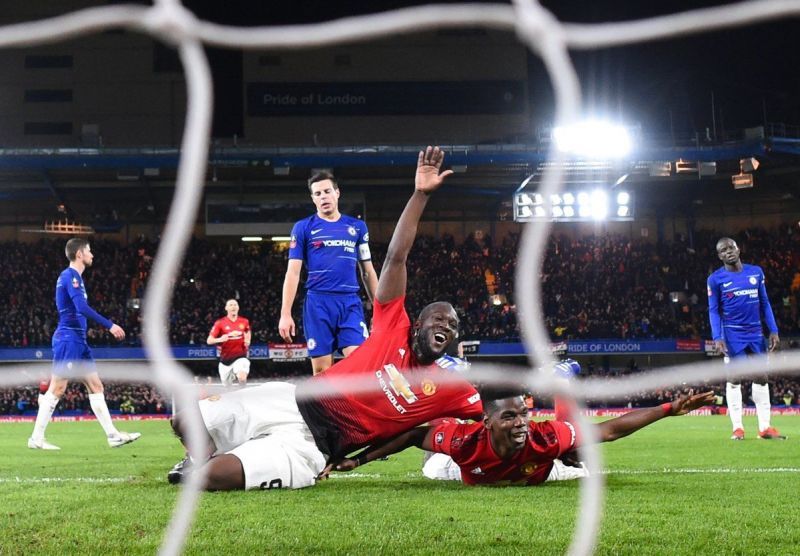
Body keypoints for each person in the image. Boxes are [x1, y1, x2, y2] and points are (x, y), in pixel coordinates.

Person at [168, 146, 484, 490]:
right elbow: (395, 259)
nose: (446, 327)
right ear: (417, 323)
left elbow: (490, 414)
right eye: (438, 319)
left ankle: (242, 455)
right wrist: (420, 196)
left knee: (211, 479)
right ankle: (216, 451)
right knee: (182, 421)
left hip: (315, 445)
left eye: (452, 326)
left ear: (337, 194)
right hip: (290, 398)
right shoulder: (392, 324)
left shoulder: (447, 388)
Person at [328, 390, 715, 486]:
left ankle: (568, 451)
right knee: (431, 467)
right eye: (509, 416)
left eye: (524, 414)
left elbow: (610, 429)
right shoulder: (464, 440)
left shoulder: (542, 436)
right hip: (461, 469)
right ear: (487, 422)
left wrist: (668, 409)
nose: (520, 423)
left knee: (581, 459)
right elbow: (413, 434)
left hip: (542, 471)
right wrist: (359, 459)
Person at [28, 238, 140, 450]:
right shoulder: (70, 276)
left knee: (96, 386)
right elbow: (80, 307)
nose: (92, 255)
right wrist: (109, 325)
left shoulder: (75, 277)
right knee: (58, 388)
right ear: (79, 254)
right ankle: (36, 437)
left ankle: (112, 435)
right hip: (68, 338)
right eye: (89, 251)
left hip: (78, 340)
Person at [279, 170, 379, 375]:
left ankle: (354, 407)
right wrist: (285, 313)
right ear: (313, 198)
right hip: (318, 304)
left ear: (337, 193)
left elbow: (367, 271)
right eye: (317, 193)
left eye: (327, 191)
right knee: (322, 372)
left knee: (359, 364)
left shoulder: (357, 227)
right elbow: (293, 273)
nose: (323, 196)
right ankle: (327, 408)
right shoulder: (303, 228)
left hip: (349, 302)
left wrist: (380, 309)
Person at [707, 237, 785, 440]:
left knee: (761, 377)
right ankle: (738, 428)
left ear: (738, 249)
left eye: (731, 247)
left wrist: (774, 330)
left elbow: (765, 303)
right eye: (723, 250)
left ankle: (765, 428)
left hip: (756, 333)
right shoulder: (715, 279)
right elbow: (714, 310)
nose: (728, 252)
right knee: (734, 378)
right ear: (719, 256)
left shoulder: (756, 272)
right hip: (732, 334)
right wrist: (717, 336)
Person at [207, 299, 251, 386]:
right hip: (225, 361)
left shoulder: (244, 321)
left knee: (242, 377)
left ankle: (243, 395)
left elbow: (247, 331)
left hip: (240, 357)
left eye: (235, 305)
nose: (233, 306)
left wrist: (248, 340)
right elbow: (209, 340)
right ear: (226, 308)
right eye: (231, 305)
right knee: (227, 387)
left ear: (238, 307)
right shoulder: (220, 323)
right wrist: (220, 339)